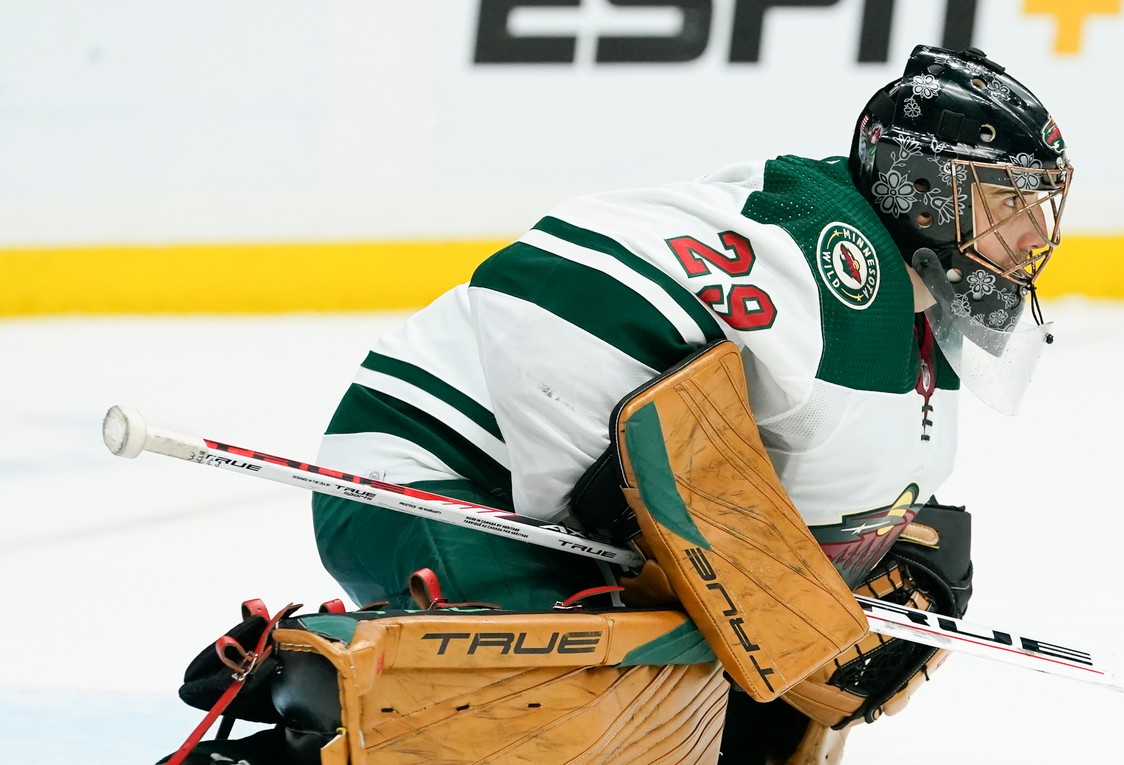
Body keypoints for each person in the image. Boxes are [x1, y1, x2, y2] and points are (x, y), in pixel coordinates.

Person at [162, 44, 1072, 765]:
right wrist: (786, 574)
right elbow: (541, 281)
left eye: (1043, 208)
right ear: (921, 190)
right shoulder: (834, 263)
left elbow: (781, 506)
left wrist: (836, 571)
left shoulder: (907, 310)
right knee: (594, 697)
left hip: (518, 501)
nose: (1033, 236)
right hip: (426, 468)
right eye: (1006, 203)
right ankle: (312, 699)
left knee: (730, 702)